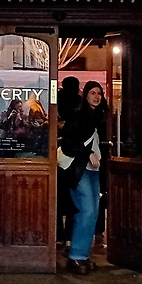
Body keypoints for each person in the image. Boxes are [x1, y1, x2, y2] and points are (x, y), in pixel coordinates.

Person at [63, 81, 108, 274]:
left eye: (99, 93)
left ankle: (82, 255)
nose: (96, 97)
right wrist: (87, 153)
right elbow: (67, 143)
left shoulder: (99, 116)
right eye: (92, 93)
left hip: (93, 170)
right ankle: (76, 256)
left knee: (94, 211)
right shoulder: (79, 115)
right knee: (88, 210)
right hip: (79, 169)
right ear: (85, 95)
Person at [55, 77, 82, 242]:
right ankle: (70, 236)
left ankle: (58, 235)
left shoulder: (57, 99)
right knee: (73, 198)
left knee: (58, 198)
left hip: (59, 154)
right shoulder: (80, 103)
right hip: (75, 157)